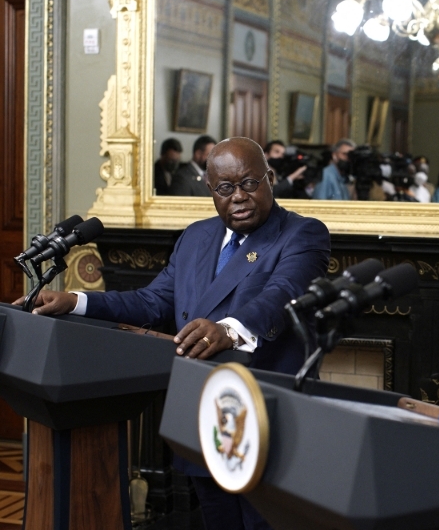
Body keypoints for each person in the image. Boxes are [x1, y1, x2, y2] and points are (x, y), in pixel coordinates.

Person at [18, 137, 331, 530]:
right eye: (225, 188)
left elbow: (282, 295)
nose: (239, 197)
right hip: (203, 411)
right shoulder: (196, 237)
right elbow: (152, 302)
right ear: (210, 189)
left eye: (250, 183)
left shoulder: (302, 234)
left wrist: (228, 330)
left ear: (270, 179)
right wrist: (76, 301)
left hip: (266, 415)